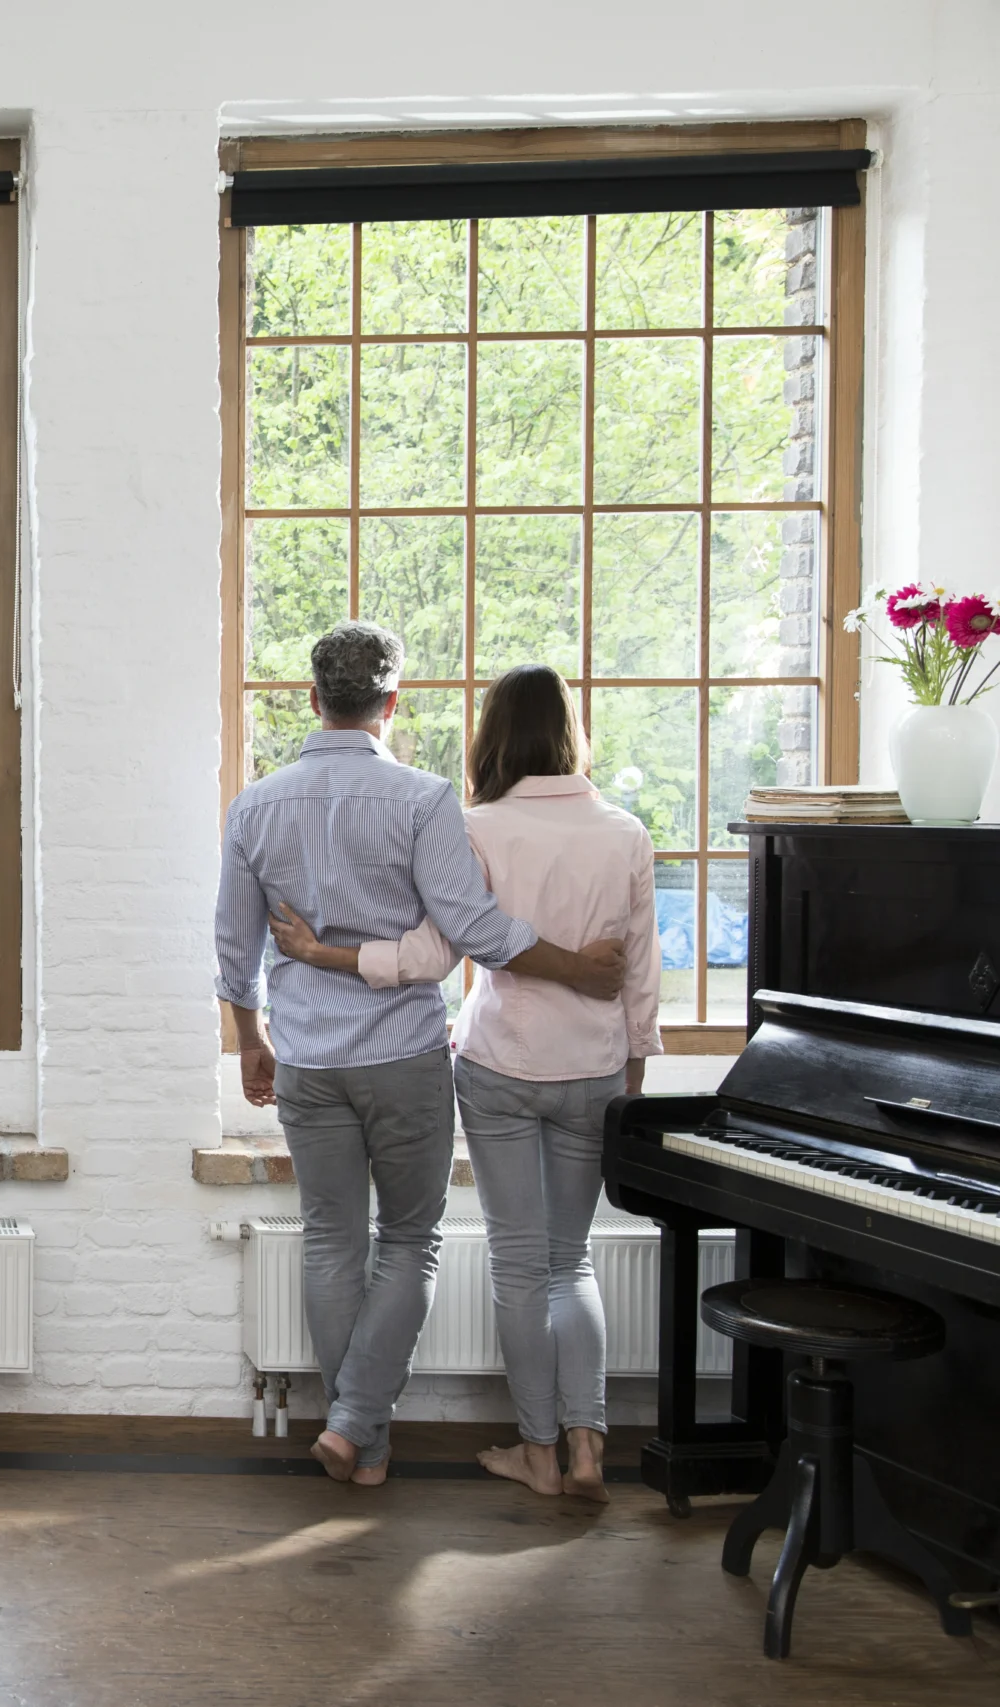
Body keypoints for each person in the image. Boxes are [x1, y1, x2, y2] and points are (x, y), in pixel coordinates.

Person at [214, 623, 624, 1487]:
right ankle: (361, 1423)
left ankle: (363, 1445)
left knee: (331, 1242)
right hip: (402, 1052)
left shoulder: (254, 805)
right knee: (409, 1241)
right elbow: (473, 930)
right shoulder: (423, 798)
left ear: (311, 698)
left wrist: (251, 1043)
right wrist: (580, 967)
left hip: (309, 1058)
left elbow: (232, 945)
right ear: (392, 704)